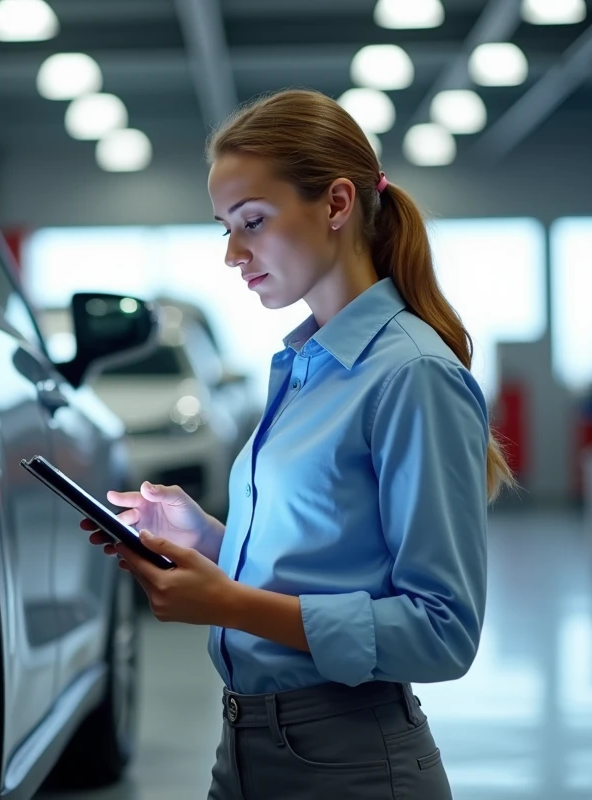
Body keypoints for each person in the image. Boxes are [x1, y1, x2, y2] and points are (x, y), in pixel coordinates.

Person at [82, 88, 514, 799]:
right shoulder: (305, 366)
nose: (232, 254)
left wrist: (226, 602)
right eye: (224, 227)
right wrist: (211, 537)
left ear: (337, 204)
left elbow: (443, 630)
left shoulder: (411, 375)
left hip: (353, 764)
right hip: (248, 749)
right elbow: (326, 562)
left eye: (252, 221)